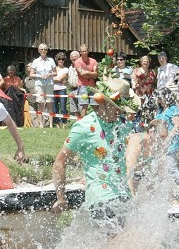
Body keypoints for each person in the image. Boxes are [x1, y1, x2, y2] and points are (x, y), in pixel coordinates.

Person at [52, 79, 137, 230]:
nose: (121, 111)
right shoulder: (83, 127)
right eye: (117, 107)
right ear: (104, 102)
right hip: (101, 200)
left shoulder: (121, 124)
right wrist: (61, 198)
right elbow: (60, 161)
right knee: (116, 243)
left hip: (124, 197)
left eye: (123, 108)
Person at [28, 43, 56, 128]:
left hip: (49, 84)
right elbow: (31, 74)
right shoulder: (35, 61)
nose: (44, 51)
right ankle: (41, 124)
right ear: (39, 50)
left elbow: (55, 73)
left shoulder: (51, 60)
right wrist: (39, 76)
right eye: (42, 49)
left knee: (49, 103)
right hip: (39, 84)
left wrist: (49, 74)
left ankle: (51, 125)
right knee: (40, 104)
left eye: (45, 49)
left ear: (47, 50)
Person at [73, 43, 99, 117]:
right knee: (84, 105)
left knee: (96, 105)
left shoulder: (93, 61)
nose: (84, 53)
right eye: (82, 51)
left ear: (88, 51)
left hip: (93, 86)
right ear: (80, 52)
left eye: (85, 51)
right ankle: (82, 122)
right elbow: (82, 74)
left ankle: (97, 122)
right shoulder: (77, 61)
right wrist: (91, 74)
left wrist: (87, 72)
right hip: (82, 86)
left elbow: (96, 74)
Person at [53, 52, 70, 127]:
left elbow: (60, 78)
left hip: (62, 89)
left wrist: (53, 79)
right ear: (56, 60)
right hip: (53, 89)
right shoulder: (53, 69)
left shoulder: (66, 69)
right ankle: (57, 124)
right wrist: (59, 80)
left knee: (63, 107)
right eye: (59, 59)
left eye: (62, 59)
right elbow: (59, 79)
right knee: (54, 108)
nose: (61, 60)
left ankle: (64, 124)